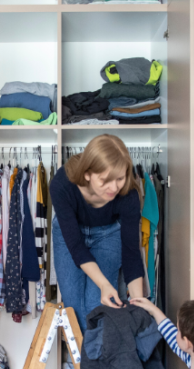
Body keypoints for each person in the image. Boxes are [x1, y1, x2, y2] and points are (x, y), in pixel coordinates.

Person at [50, 135, 144, 332]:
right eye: (105, 181)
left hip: (108, 233)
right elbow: (75, 245)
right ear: (87, 174)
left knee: (98, 306)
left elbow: (131, 252)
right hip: (70, 234)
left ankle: (95, 361)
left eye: (120, 178)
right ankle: (86, 361)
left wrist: (139, 303)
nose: (114, 188)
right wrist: (103, 283)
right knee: (73, 309)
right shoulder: (62, 184)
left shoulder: (129, 194)